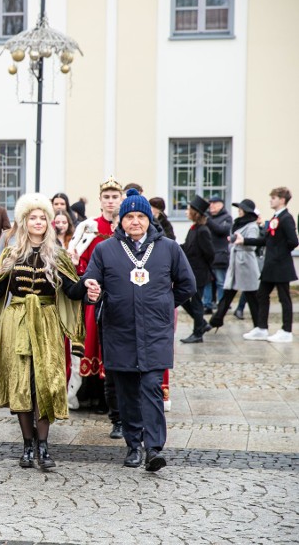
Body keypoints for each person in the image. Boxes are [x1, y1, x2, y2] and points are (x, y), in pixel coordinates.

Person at [0, 193, 91, 470]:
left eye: (42, 218)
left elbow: (72, 291)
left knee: (45, 384)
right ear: (24, 223)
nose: (38, 222)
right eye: (32, 218)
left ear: (49, 223)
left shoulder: (59, 255)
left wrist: (87, 282)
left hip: (47, 322)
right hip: (17, 322)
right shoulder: (11, 254)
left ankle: (44, 446)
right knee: (22, 384)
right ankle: (27, 446)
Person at [83, 189, 196, 472]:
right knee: (127, 392)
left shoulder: (168, 247)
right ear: (121, 220)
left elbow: (187, 285)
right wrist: (92, 292)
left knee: (151, 388)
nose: (135, 221)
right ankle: (134, 445)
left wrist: (163, 304)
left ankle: (153, 448)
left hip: (155, 332)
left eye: (140, 216)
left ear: (149, 219)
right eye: (129, 216)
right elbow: (89, 284)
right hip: (119, 331)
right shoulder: (105, 249)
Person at [67, 176, 123, 431]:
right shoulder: (89, 228)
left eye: (114, 197)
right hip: (94, 295)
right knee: (92, 344)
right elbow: (77, 259)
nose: (110, 202)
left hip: (121, 295)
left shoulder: (128, 224)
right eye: (107, 197)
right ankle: (90, 395)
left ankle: (114, 400)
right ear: (100, 200)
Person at [239, 187, 298, 343]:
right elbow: (266, 240)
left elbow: (293, 241)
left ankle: (286, 330)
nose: (270, 200)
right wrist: (244, 241)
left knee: (284, 297)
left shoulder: (286, 218)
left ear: (282, 200)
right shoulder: (275, 217)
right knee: (262, 295)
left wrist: (279, 252)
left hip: (280, 265)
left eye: (273, 197)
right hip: (271, 265)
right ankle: (261, 328)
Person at [208, 199, 261, 331]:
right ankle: (215, 321)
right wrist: (232, 241)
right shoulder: (238, 223)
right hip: (235, 263)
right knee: (227, 294)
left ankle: (259, 326)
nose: (239, 210)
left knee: (252, 296)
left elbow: (252, 245)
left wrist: (239, 241)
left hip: (246, 264)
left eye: (241, 209)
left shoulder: (252, 226)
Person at [179, 195, 215, 344]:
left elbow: (210, 253)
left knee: (196, 302)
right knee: (183, 299)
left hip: (199, 273)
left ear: (196, 212)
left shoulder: (203, 231)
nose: (186, 211)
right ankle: (201, 323)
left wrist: (203, 268)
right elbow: (188, 247)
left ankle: (197, 333)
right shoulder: (194, 228)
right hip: (192, 271)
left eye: (189, 209)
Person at [203, 195, 232, 314]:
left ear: (221, 205)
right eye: (210, 203)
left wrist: (208, 221)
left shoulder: (227, 217)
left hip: (220, 254)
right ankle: (207, 304)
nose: (211, 206)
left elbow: (222, 230)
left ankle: (222, 304)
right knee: (207, 281)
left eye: (214, 203)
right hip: (208, 254)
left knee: (221, 281)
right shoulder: (207, 217)